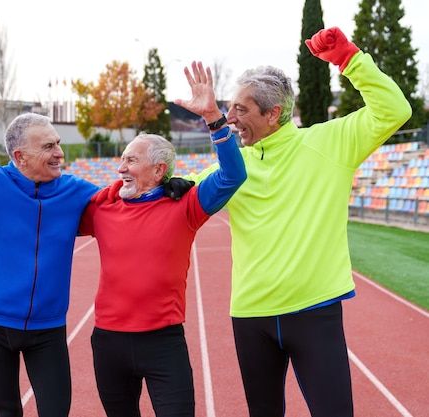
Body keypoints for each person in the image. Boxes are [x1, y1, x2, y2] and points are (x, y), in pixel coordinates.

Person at [174, 27, 412, 416]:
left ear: (273, 114)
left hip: (314, 311)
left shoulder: (329, 142)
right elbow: (182, 197)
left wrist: (350, 60)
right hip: (251, 316)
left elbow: (395, 110)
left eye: (241, 109)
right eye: (229, 108)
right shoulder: (235, 167)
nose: (230, 118)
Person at [0, 112, 193, 417]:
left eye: (57, 143)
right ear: (20, 156)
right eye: (48, 147)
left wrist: (164, 188)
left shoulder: (75, 191)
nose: (60, 153)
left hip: (48, 328)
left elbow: (124, 200)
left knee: (56, 411)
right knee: (6, 411)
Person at [78, 71, 247, 416]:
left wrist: (214, 118)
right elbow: (48, 216)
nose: (121, 167)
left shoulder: (185, 206)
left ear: (158, 171)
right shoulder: (102, 208)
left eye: (131, 160)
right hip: (108, 342)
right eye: (122, 158)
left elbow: (233, 176)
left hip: (162, 343)